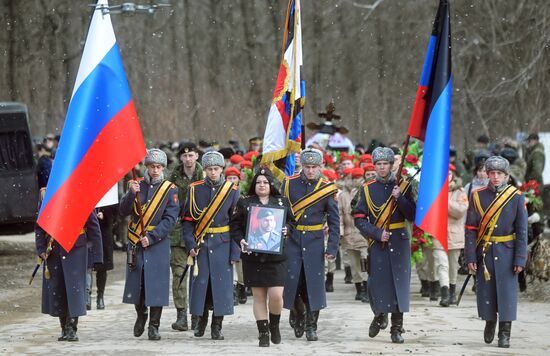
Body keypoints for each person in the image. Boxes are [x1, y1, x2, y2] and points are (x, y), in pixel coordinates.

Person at [353, 147, 416, 343]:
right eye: (378, 164)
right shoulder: (367, 188)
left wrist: (400, 198)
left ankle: (397, 328)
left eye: (385, 164)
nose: (382, 168)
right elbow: (359, 218)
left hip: (399, 240)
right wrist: (377, 233)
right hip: (378, 241)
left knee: (399, 285)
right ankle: (380, 314)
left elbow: (412, 215)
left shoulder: (403, 186)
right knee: (377, 284)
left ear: (391, 165)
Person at [464, 156, 528, 348]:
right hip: (485, 251)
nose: (495, 177)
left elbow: (522, 231)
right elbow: (470, 229)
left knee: (507, 295)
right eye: (492, 173)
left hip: (508, 252)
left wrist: (520, 258)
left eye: (499, 174)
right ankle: (490, 321)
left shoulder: (516, 197)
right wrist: (470, 256)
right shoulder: (477, 195)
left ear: (507, 176)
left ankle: (505, 333)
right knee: (487, 292)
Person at [230, 168, 295, 347]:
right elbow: (234, 226)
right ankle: (263, 333)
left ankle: (274, 325)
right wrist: (241, 240)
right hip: (253, 256)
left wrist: (287, 229)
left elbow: (292, 222)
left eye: (265, 182)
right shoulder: (245, 202)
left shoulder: (281, 201)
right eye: (258, 182)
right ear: (254, 184)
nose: (262, 185)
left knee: (276, 295)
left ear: (271, 184)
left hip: (277, 257)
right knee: (258, 296)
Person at [120, 149, 179, 341]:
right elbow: (123, 211)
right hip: (136, 240)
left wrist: (152, 237)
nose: (155, 170)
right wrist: (131, 194)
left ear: (163, 168)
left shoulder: (170, 189)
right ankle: (141, 315)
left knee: (157, 285)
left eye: (159, 166)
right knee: (139, 283)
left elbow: (170, 219)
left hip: (157, 242)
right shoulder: (137, 185)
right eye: (152, 166)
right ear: (146, 167)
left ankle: (154, 325)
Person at [282, 148, 340, 342]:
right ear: (302, 166)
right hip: (293, 239)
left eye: (314, 167)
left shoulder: (327, 188)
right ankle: (298, 312)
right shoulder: (289, 184)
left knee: (313, 285)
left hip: (315, 241)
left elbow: (334, 220)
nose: (310, 171)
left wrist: (332, 247)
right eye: (307, 167)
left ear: (320, 166)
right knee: (293, 282)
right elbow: (282, 212)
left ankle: (311, 325)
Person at [181, 151, 241, 340]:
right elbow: (187, 221)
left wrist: (235, 252)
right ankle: (201, 321)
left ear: (222, 169)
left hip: (223, 244)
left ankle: (217, 326)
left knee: (221, 288)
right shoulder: (194, 189)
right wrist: (190, 244)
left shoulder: (232, 190)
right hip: (201, 244)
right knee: (202, 287)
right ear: (204, 170)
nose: (213, 173)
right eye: (209, 169)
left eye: (216, 169)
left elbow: (236, 224)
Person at [36, 187, 103, 342]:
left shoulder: (82, 192)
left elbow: (93, 226)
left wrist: (97, 256)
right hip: (53, 248)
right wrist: (40, 248)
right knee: (57, 288)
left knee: (74, 289)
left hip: (76, 248)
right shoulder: (46, 193)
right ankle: (63, 328)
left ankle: (72, 327)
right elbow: (40, 225)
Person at [168, 142, 203, 332]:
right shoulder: (172, 176)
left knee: (198, 276)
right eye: (185, 156)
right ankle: (181, 315)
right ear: (181, 158)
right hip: (178, 232)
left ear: (197, 156)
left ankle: (197, 315)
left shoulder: (205, 174)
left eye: (192, 155)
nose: (188, 159)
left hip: (201, 232)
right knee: (179, 275)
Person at [338, 167, 369, 303]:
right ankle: (359, 289)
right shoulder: (343, 196)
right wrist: (340, 232)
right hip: (349, 233)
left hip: (363, 233)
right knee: (354, 264)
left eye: (358, 178)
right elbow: (339, 214)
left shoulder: (366, 191)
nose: (356, 181)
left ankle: (367, 288)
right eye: (353, 178)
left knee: (365, 261)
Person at [446, 165, 468, 305]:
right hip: (437, 233)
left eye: (448, 173)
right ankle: (442, 290)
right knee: (440, 264)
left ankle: (452, 290)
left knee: (452, 264)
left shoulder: (460, 192)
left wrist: (445, 201)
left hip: (454, 234)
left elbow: (460, 210)